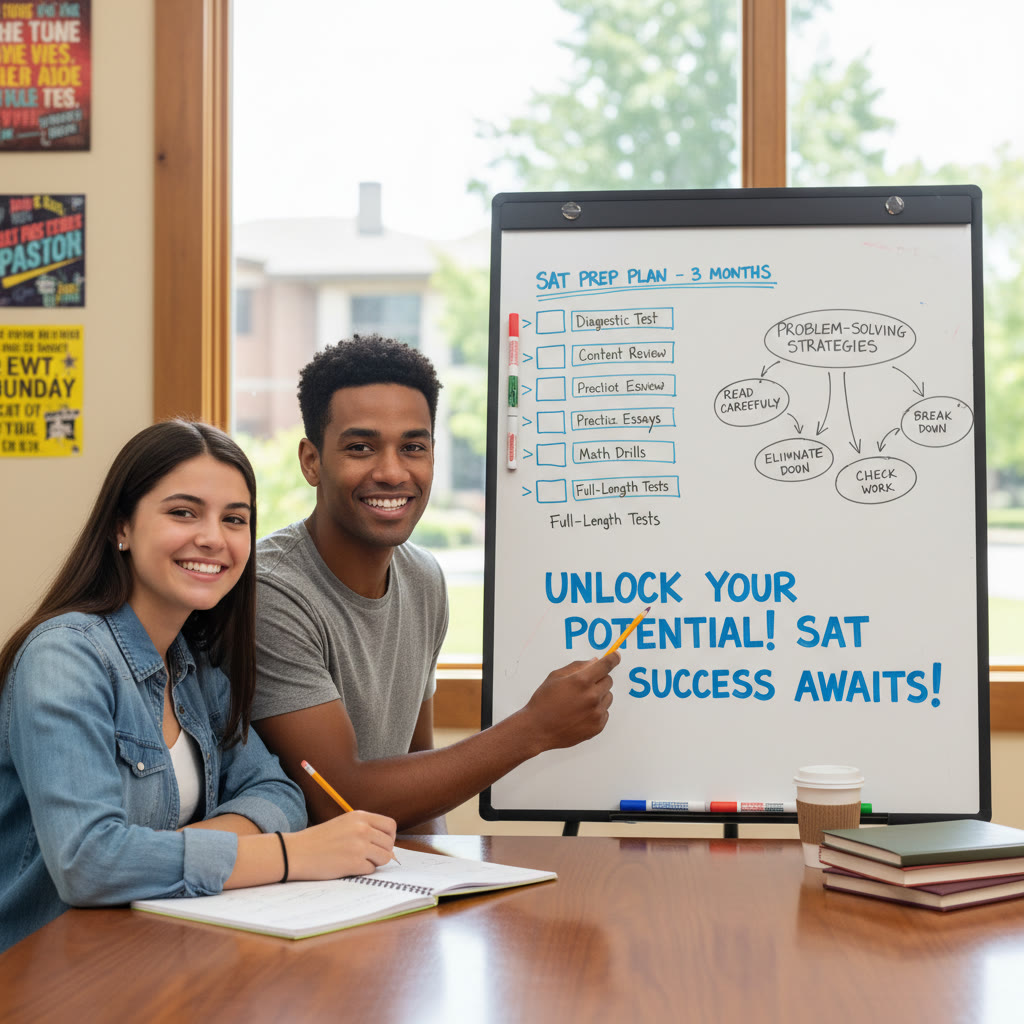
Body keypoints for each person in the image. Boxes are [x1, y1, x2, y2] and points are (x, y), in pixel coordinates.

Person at [0, 420, 396, 952]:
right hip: (44, 970)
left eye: (234, 519)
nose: (213, 537)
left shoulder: (192, 663)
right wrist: (291, 855)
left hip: (142, 952)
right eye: (183, 512)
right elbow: (89, 864)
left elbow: (278, 792)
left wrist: (155, 852)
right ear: (122, 526)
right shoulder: (65, 657)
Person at [251, 334, 618, 832]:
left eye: (413, 447)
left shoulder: (423, 578)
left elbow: (417, 779)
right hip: (285, 892)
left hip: (382, 884)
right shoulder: (270, 593)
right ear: (312, 461)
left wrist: (446, 891)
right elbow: (342, 798)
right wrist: (534, 728)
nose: (391, 471)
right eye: (360, 447)